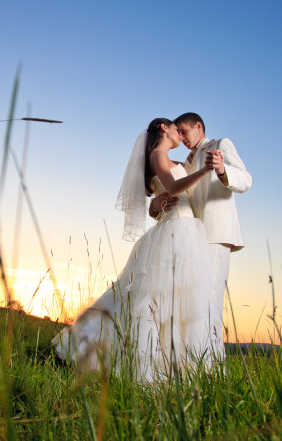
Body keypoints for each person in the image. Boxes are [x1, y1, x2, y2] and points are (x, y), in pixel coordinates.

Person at [52, 118, 221, 382]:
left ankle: (176, 366)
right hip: (177, 231)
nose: (180, 133)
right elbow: (175, 187)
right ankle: (140, 364)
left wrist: (156, 205)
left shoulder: (171, 160)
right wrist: (204, 172)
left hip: (186, 228)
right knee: (154, 301)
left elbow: (166, 197)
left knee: (179, 304)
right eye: (176, 129)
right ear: (165, 128)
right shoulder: (157, 155)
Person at [150, 112, 252, 360]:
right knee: (192, 304)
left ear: (198, 126)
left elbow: (246, 179)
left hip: (216, 233)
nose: (182, 137)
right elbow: (179, 197)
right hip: (190, 237)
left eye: (184, 131)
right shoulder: (184, 161)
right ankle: (188, 360)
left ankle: (212, 365)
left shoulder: (220, 146)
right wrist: (155, 206)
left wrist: (222, 169)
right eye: (179, 133)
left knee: (211, 300)